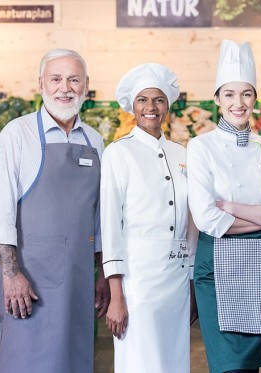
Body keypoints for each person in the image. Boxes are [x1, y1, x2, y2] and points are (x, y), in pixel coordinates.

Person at [0, 48, 110, 373]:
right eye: (56, 79)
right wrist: (12, 276)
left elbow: (99, 213)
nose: (64, 88)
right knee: (27, 360)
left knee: (75, 359)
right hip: (29, 281)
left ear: (86, 85)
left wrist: (103, 272)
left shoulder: (95, 140)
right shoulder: (17, 134)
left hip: (79, 280)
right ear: (41, 83)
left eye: (73, 79)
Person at [187, 39, 261, 373]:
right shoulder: (200, 147)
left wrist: (233, 208)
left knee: (247, 365)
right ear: (218, 99)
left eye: (246, 94)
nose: (239, 103)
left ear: (255, 98)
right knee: (228, 364)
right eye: (230, 94)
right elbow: (207, 218)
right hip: (217, 269)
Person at [101, 63, 198, 372]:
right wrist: (116, 295)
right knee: (141, 361)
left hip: (177, 279)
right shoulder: (118, 153)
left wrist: (193, 281)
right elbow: (110, 225)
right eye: (143, 99)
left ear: (167, 105)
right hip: (137, 281)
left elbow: (191, 222)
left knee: (174, 360)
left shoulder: (182, 154)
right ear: (133, 106)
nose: (151, 107)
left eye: (158, 99)